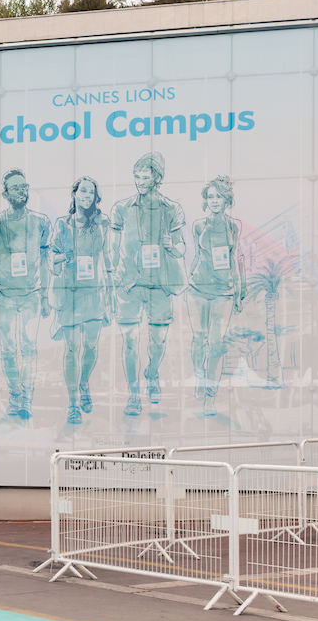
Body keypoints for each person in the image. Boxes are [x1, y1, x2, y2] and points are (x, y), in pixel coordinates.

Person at [108, 153, 186, 416]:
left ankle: (152, 373)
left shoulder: (171, 209)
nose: (140, 182)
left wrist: (172, 247)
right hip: (128, 284)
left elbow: (181, 247)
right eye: (137, 177)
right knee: (130, 342)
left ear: (157, 178)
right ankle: (133, 395)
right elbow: (112, 246)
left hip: (160, 284)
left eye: (145, 177)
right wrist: (112, 277)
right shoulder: (121, 208)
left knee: (158, 341)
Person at [0, 168, 51, 420]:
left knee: (29, 348)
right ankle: (14, 395)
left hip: (31, 294)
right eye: (16, 188)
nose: (22, 191)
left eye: (24, 186)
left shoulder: (40, 221)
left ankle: (27, 399)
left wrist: (44, 295)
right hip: (5, 296)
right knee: (9, 349)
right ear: (6, 194)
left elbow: (44, 259)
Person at [49, 176, 112, 424]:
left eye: (91, 193)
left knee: (91, 347)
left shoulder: (101, 224)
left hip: (94, 292)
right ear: (74, 194)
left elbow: (108, 256)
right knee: (72, 348)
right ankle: (73, 402)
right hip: (71, 295)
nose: (87, 195)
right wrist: (62, 258)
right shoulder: (62, 225)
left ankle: (84, 381)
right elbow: (51, 255)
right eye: (83, 191)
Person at [187, 176, 246, 416]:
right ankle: (199, 375)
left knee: (216, 344)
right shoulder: (198, 225)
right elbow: (197, 256)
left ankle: (210, 396)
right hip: (198, 288)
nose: (214, 201)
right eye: (210, 196)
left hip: (224, 291)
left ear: (226, 199)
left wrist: (240, 291)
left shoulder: (234, 225)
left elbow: (235, 258)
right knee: (198, 337)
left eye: (218, 196)